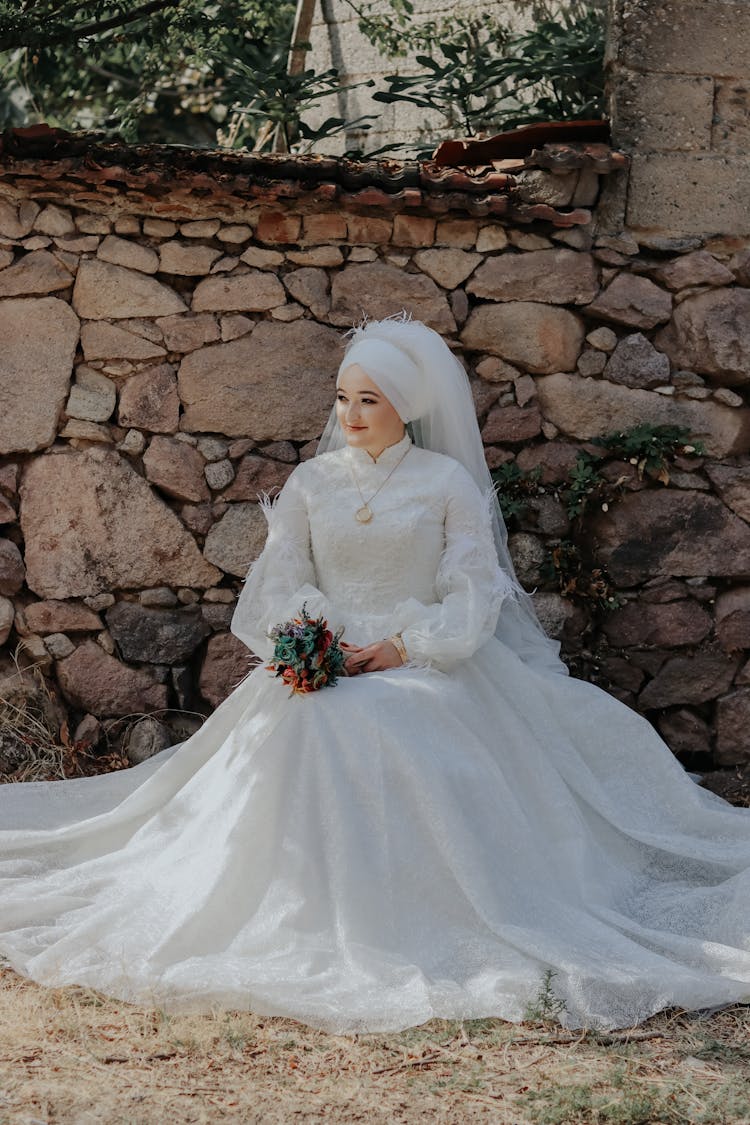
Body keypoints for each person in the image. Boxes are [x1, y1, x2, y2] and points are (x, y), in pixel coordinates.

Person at [1, 314, 749, 1036]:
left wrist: (401, 645)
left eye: (370, 400)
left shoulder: (446, 482)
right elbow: (282, 576)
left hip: (425, 657)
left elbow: (472, 589)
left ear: (406, 408)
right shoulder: (311, 482)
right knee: (300, 716)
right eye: (342, 398)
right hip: (324, 657)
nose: (351, 414)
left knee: (398, 718)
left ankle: (410, 913)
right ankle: (297, 905)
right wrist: (314, 640)